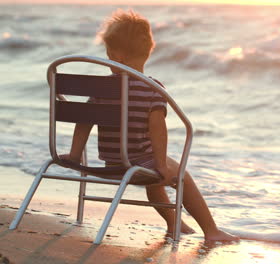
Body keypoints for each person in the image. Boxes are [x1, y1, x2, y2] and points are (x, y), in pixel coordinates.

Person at [61, 9, 238, 242]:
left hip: (112, 162)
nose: (107, 58)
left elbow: (83, 120)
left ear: (118, 56)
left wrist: (75, 154)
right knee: (180, 175)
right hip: (137, 162)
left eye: (108, 53)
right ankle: (211, 231)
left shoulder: (101, 88)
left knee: (155, 177)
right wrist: (162, 164)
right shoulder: (152, 87)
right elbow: (157, 128)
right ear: (148, 51)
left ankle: (175, 224)